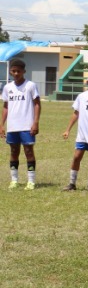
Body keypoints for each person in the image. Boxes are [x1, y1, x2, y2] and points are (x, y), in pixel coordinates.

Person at [4, 58, 41, 190]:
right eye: (13, 71)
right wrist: (2, 125)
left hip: (26, 125)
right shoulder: (7, 87)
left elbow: (37, 104)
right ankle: (14, 180)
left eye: (18, 71)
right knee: (14, 151)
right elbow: (6, 107)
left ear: (24, 71)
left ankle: (31, 181)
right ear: (10, 71)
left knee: (28, 152)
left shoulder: (30, 85)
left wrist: (35, 122)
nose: (16, 73)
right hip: (12, 126)